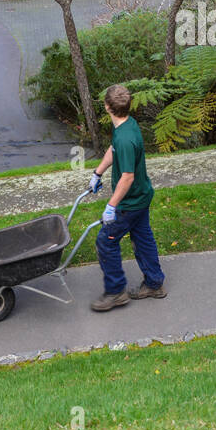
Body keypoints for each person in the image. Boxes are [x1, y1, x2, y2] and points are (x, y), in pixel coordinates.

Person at [87, 84, 166, 311]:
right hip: (142, 196)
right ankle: (154, 283)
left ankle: (116, 291)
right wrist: (97, 173)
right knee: (142, 238)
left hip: (130, 202)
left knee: (105, 242)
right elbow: (113, 150)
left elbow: (127, 177)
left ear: (107, 107)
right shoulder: (127, 126)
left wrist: (111, 206)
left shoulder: (124, 138)